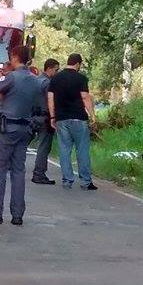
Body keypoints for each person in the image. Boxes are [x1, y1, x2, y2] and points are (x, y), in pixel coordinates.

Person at [0, 45, 41, 226]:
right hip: (25, 129)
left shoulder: (12, 77)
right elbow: (12, 98)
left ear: (14, 56)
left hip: (7, 128)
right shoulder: (35, 81)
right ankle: (17, 214)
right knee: (18, 172)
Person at [48, 53, 97, 191]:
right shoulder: (81, 78)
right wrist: (92, 115)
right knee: (82, 150)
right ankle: (86, 182)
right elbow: (85, 97)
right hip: (78, 118)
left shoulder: (56, 78)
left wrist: (52, 117)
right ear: (77, 64)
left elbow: (50, 98)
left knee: (64, 150)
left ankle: (67, 180)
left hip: (61, 119)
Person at [31, 58, 61, 184]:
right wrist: (54, 117)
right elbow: (51, 101)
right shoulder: (48, 83)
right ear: (49, 68)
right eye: (56, 69)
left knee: (22, 143)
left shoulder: (36, 81)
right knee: (44, 146)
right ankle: (39, 174)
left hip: (33, 116)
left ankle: (11, 164)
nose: (57, 72)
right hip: (45, 118)